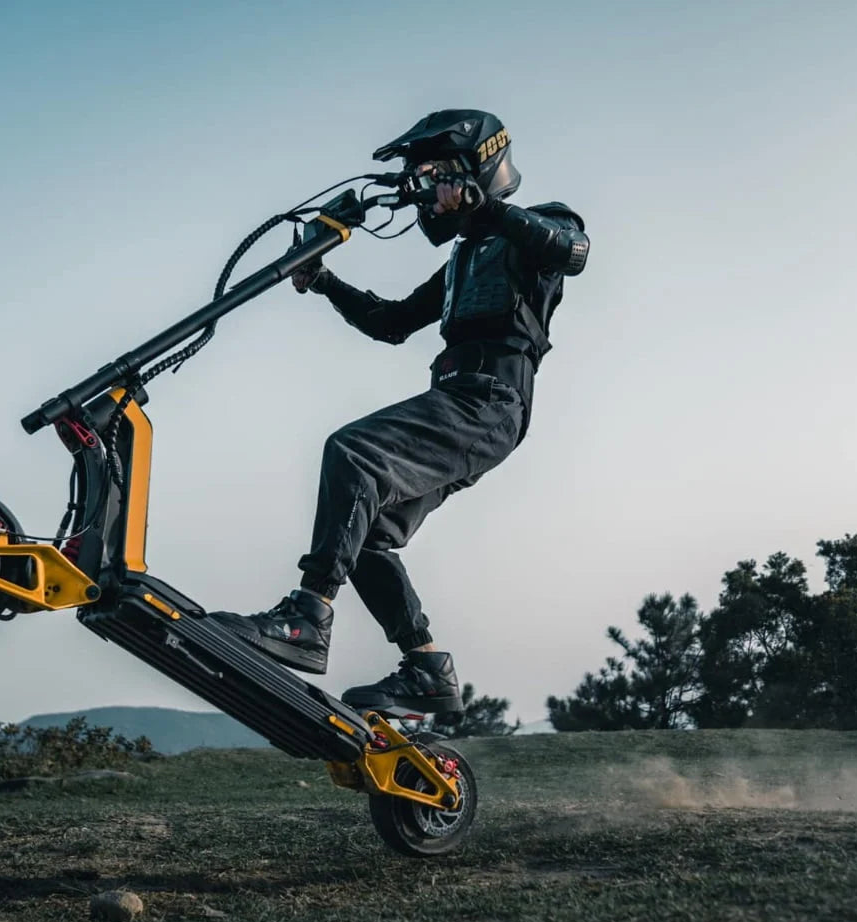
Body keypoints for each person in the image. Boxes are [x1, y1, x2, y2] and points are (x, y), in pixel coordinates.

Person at [211, 109, 589, 715]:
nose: (430, 194)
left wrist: (485, 207)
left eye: (437, 176)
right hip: (463, 400)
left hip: (491, 400)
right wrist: (324, 281)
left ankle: (308, 618)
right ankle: (428, 669)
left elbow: (572, 252)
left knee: (353, 452)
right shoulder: (465, 258)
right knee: (367, 536)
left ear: (477, 167)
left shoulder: (541, 225)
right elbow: (390, 323)